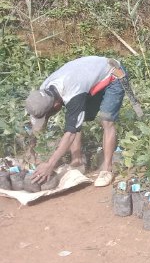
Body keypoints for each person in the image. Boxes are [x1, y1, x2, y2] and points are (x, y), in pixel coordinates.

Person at [25, 56, 135, 187]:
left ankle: (107, 169)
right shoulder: (43, 92)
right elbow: (38, 123)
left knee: (106, 120)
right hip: (87, 77)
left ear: (56, 105)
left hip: (113, 74)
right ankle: (77, 161)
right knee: (75, 119)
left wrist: (50, 164)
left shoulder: (73, 93)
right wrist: (31, 149)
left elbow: (71, 132)